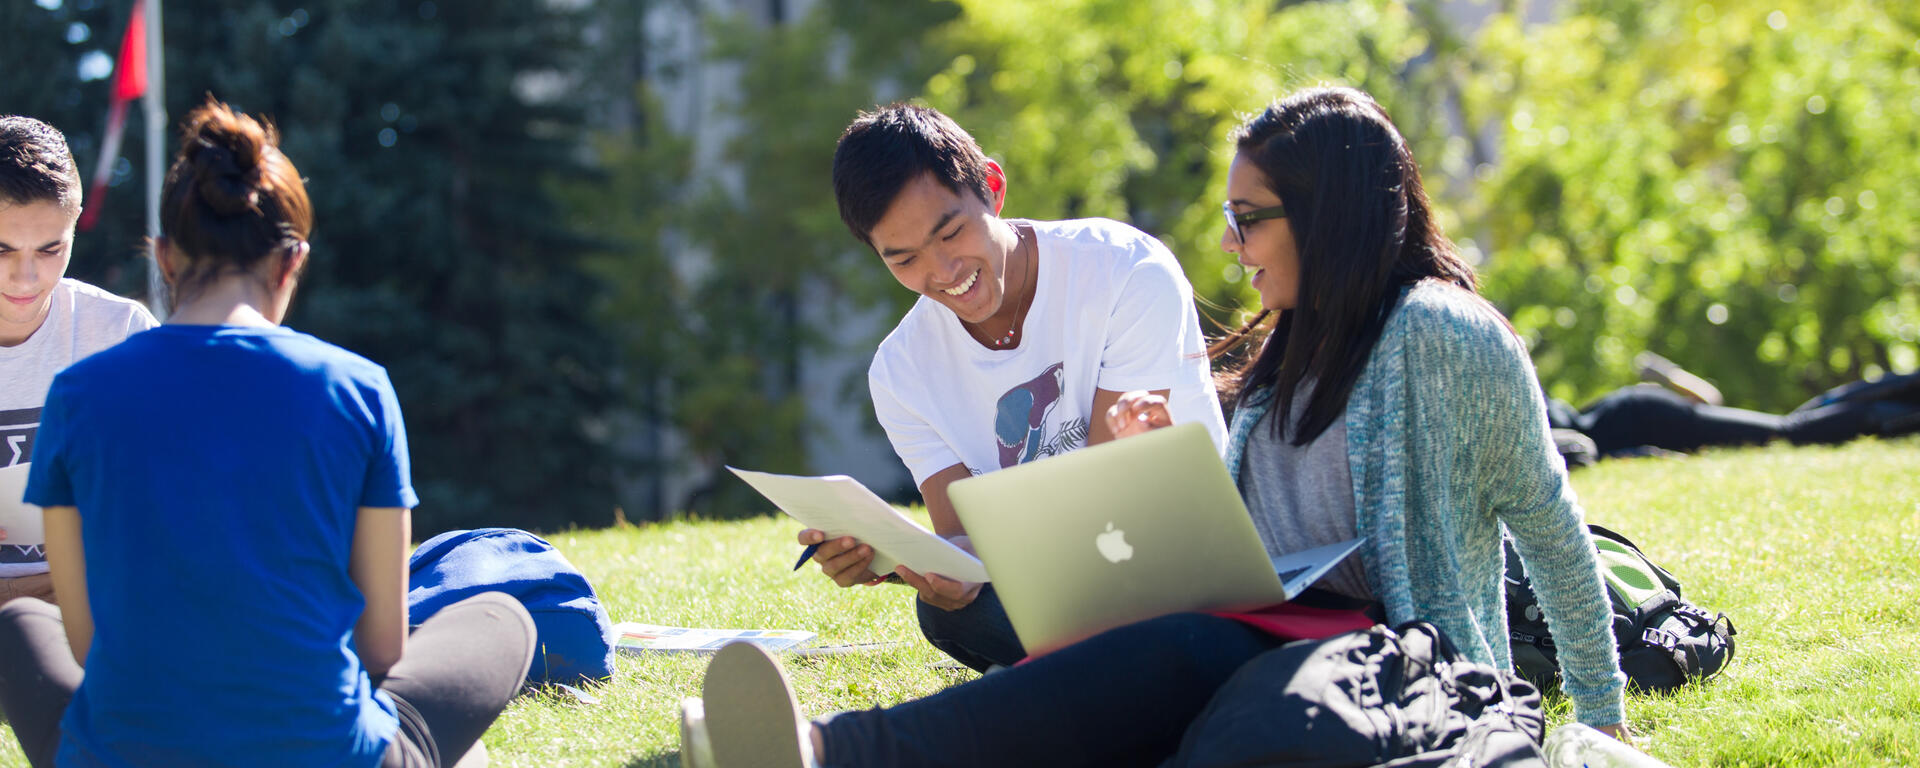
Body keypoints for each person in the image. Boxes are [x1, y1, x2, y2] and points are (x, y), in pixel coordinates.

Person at [682, 87, 1632, 768]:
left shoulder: (1446, 337)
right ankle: (819, 749)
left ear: (1328, 218)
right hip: (1271, 626)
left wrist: (1601, 724)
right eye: (1232, 214)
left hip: (1394, 657)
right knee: (1153, 652)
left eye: (1248, 217)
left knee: (1171, 656)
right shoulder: (1291, 352)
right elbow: (1246, 534)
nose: (1226, 242)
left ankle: (829, 749)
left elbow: (1551, 525)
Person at [0, 100, 535, 768]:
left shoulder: (78, 393)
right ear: (292, 263)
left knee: (20, 628)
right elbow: (381, 648)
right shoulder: (359, 386)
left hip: (122, 750)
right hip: (325, 749)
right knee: (501, 618)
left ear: (164, 259)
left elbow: (86, 646)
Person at [800, 103, 1228, 672]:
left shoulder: (1126, 271)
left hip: (1185, 566)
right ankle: (1113, 684)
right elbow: (964, 543)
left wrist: (983, 558)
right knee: (951, 614)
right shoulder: (900, 372)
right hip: (1063, 593)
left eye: (951, 232)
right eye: (904, 260)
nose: (944, 271)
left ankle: (1100, 686)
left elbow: (1112, 501)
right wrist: (905, 562)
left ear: (993, 189)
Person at [0, 116, 158, 609]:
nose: (25, 277)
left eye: (51, 249)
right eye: (0, 249)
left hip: (87, 590)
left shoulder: (121, 332)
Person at [1547, 360, 1920, 463]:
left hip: (1643, 415)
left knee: (1788, 431)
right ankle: (1896, 395)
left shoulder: (1535, 429)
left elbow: (1579, 451)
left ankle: (1903, 403)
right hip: (1637, 411)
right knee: (1787, 426)